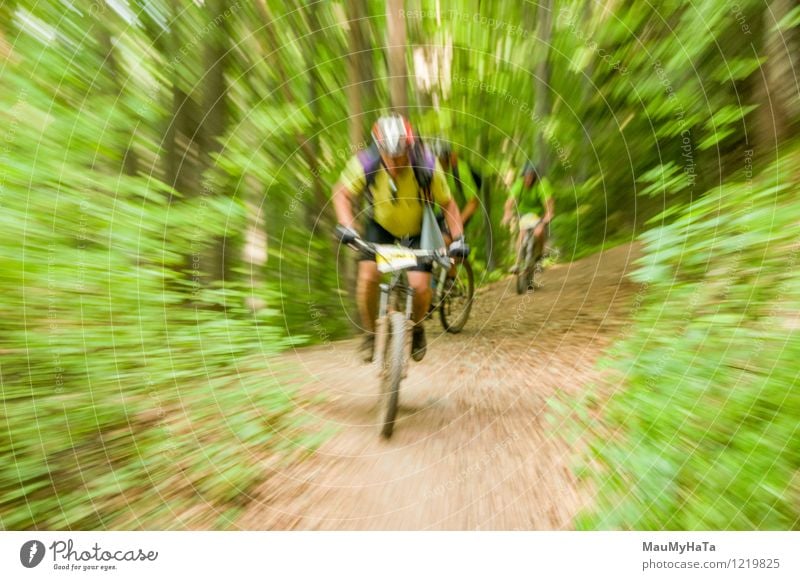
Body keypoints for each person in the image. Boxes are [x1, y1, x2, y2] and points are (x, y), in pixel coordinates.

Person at [332, 114, 468, 363]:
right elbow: (341, 193)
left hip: (417, 230)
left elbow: (448, 204)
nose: (395, 164)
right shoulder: (367, 162)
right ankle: (371, 335)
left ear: (409, 148)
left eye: (400, 156)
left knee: (420, 288)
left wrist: (458, 238)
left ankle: (417, 328)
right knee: (368, 277)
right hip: (381, 226)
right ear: (380, 149)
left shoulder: (427, 165)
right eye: (389, 157)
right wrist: (347, 226)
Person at [501, 162, 555, 277]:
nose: (528, 179)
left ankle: (540, 256)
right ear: (523, 176)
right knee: (522, 233)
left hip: (539, 214)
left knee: (539, 232)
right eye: (526, 176)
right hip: (524, 213)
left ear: (535, 176)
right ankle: (517, 263)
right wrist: (507, 213)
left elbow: (549, 206)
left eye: (531, 177)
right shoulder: (519, 183)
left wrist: (546, 219)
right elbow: (509, 201)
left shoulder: (542, 184)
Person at [431, 138, 482, 239]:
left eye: (441, 161)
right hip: (437, 213)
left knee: (446, 241)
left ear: (450, 159)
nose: (438, 165)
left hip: (458, 213)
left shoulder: (461, 171)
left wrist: (457, 224)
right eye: (434, 161)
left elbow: (473, 202)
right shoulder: (428, 170)